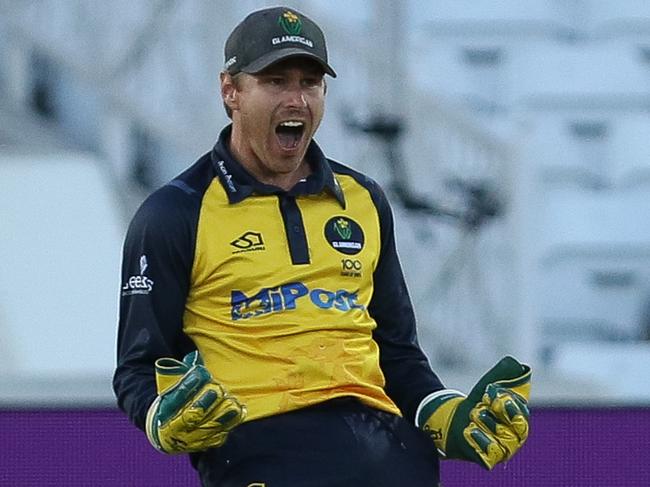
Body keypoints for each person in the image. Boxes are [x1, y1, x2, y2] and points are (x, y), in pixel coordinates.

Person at [113, 6, 532, 487]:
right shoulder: (175, 213)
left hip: (393, 453)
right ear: (230, 90)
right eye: (274, 81)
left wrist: (446, 414)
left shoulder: (364, 200)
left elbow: (397, 354)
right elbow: (136, 370)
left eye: (309, 83)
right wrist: (161, 419)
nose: (296, 99)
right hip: (263, 453)